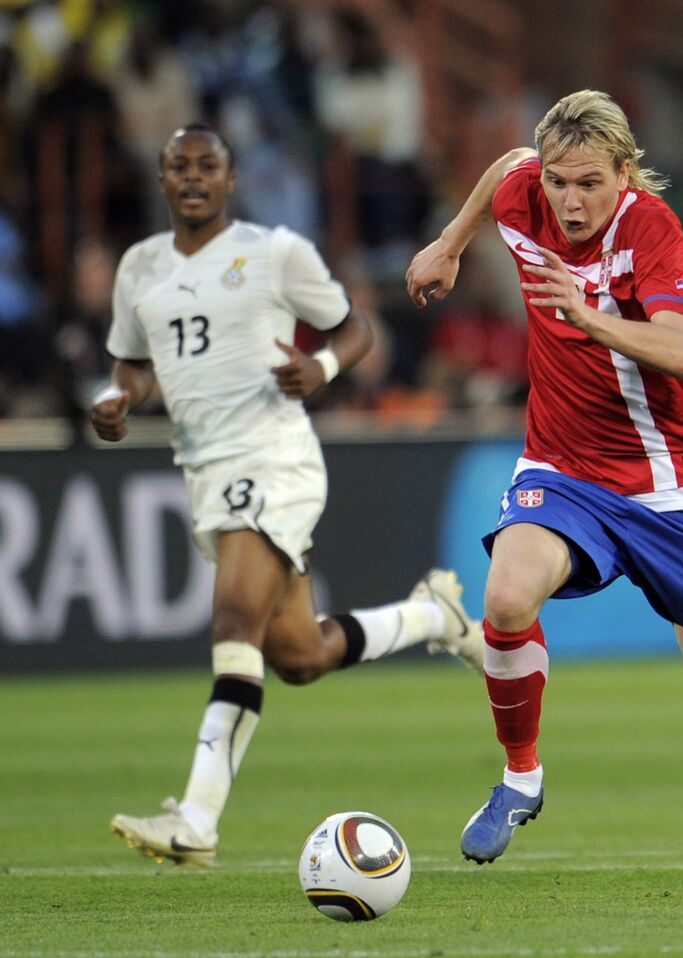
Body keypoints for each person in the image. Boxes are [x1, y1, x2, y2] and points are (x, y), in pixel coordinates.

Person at [405, 91, 683, 899]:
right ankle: (521, 777)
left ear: (625, 175)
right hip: (563, 470)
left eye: (590, 181)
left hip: (670, 491)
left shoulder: (652, 229)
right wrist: (451, 242)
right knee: (508, 596)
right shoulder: (529, 186)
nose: (570, 199)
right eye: (559, 181)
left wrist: (588, 316)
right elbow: (504, 173)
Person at [95, 124, 485, 866]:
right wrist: (116, 398)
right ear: (162, 178)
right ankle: (434, 614)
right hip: (206, 472)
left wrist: (323, 369)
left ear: (231, 179)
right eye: (179, 166)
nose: (193, 178)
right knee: (299, 656)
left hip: (274, 458)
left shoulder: (273, 252)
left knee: (233, 621)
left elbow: (355, 328)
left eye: (207, 165)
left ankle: (198, 822)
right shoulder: (139, 267)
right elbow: (132, 367)